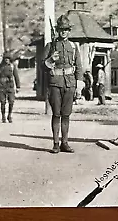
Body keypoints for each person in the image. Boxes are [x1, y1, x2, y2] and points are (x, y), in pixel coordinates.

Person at [43, 14, 84, 154]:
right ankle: (55, 143)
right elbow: (43, 67)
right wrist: (50, 59)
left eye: (66, 29)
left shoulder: (73, 46)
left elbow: (79, 67)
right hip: (55, 83)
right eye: (61, 29)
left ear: (69, 30)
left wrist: (79, 86)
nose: (63, 31)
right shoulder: (50, 46)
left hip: (70, 84)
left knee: (66, 114)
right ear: (58, 30)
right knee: (56, 114)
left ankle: (64, 143)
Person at [0, 52, 20, 123]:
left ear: (10, 59)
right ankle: (3, 116)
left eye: (8, 59)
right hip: (2, 87)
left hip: (10, 86)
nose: (7, 60)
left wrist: (18, 86)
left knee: (11, 101)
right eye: (5, 59)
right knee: (3, 102)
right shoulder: (0, 66)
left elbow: (16, 76)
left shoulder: (12, 66)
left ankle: (9, 115)